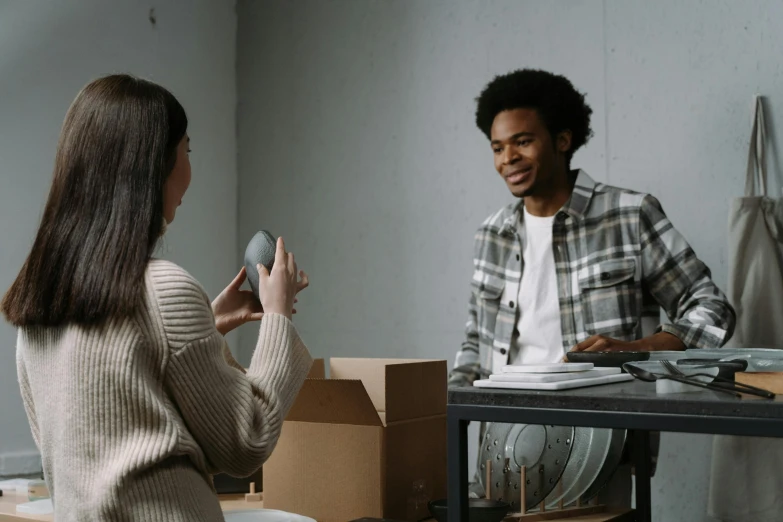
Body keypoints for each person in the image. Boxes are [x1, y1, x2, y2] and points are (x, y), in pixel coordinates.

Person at [1, 75, 312, 521]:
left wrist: (203, 322)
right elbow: (247, 443)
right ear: (152, 166)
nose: (189, 167)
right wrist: (279, 317)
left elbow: (115, 426)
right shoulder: (165, 290)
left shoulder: (39, 306)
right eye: (187, 150)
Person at [448, 69, 736, 501]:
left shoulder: (628, 214)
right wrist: (432, 413)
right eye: (497, 147)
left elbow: (711, 308)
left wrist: (640, 349)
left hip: (599, 447)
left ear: (563, 140)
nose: (507, 158)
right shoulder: (492, 234)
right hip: (503, 449)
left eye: (522, 141)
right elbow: (475, 345)